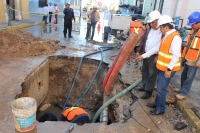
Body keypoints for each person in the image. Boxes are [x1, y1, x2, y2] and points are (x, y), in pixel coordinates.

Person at [139, 15, 182, 115]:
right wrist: (144, 56)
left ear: (166, 27)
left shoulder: (175, 38)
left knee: (161, 90)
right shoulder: (167, 36)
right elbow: (157, 48)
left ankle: (160, 109)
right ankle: (156, 103)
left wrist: (169, 69)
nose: (160, 30)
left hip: (167, 69)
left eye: (161, 28)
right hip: (162, 68)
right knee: (160, 88)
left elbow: (175, 56)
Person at [134, 10, 162, 99]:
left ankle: (148, 91)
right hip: (145, 54)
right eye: (150, 23)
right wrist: (139, 50)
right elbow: (143, 41)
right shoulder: (149, 29)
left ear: (158, 20)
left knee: (152, 74)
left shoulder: (162, 31)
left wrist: (157, 56)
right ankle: (144, 85)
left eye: (153, 22)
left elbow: (160, 47)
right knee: (145, 71)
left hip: (154, 56)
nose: (151, 24)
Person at [176, 11, 200, 100]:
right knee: (184, 75)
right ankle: (182, 89)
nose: (191, 26)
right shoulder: (194, 30)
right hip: (188, 57)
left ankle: (184, 93)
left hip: (195, 59)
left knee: (189, 77)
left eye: (193, 24)